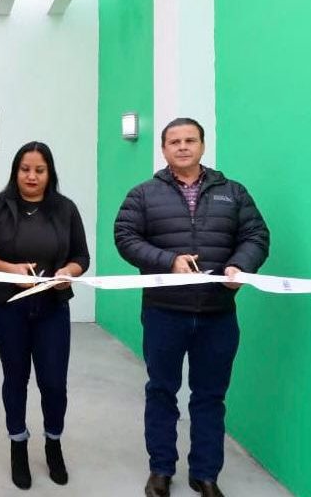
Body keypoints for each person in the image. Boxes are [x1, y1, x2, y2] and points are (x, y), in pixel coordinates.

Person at [114, 117, 269, 497]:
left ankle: (206, 474)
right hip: (164, 312)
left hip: (218, 314)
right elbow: (125, 237)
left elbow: (255, 235)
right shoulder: (144, 194)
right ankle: (161, 470)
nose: (182, 147)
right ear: (164, 149)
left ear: (202, 145)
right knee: (161, 391)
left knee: (210, 396)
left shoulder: (233, 193)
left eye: (190, 140)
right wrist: (168, 261)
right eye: (175, 141)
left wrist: (241, 266)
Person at [0, 141, 89, 490]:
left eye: (39, 170)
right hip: (7, 307)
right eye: (25, 169)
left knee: (53, 381)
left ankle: (53, 443)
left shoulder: (65, 209)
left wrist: (67, 271)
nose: (32, 176)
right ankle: (18, 445)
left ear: (49, 173)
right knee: (15, 377)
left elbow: (82, 256)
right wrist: (11, 269)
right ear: (15, 171)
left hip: (53, 306)